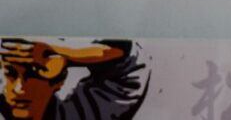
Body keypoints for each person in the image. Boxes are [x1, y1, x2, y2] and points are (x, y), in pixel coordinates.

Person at [1, 39, 150, 120]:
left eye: (34, 74)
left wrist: (59, 53)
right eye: (10, 73)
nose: (19, 88)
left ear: (59, 81)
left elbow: (130, 59)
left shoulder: (81, 114)